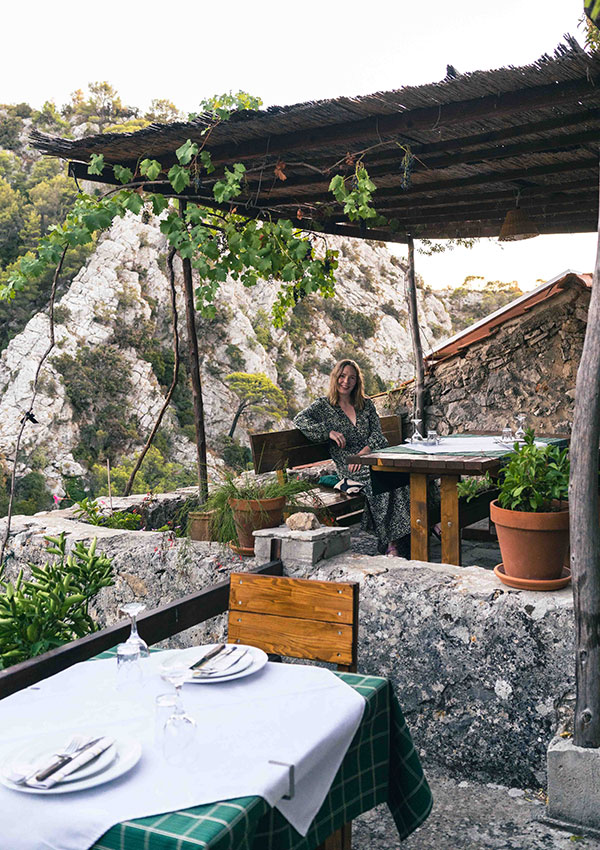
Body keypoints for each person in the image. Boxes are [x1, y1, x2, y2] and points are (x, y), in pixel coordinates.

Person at [294, 359, 411, 557]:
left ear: (357, 381)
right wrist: (327, 432)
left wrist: (364, 451)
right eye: (342, 376)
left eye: (352, 378)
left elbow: (377, 435)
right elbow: (299, 420)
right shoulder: (324, 406)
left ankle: (404, 535)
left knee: (405, 474)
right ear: (335, 378)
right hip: (350, 466)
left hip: (371, 456)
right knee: (384, 480)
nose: (346, 381)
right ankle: (395, 542)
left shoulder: (366, 405)